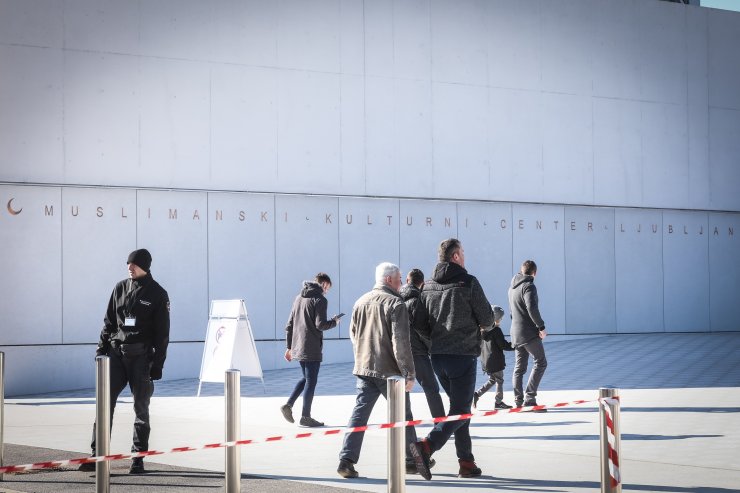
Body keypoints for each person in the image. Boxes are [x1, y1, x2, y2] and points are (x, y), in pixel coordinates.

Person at [79, 248, 170, 474]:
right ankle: (97, 455)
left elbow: (163, 333)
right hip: (116, 356)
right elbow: (109, 321)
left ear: (145, 266)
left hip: (141, 358)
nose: (129, 267)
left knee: (141, 408)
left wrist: (158, 364)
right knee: (104, 405)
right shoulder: (120, 287)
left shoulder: (158, 294)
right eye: (128, 264)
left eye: (134, 264)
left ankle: (137, 459)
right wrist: (102, 349)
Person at [409, 238, 494, 480]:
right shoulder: (468, 282)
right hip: (463, 356)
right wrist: (481, 328)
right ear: (455, 256)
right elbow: (487, 319)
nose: (465, 256)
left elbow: (420, 325)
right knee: (461, 411)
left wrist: (436, 339)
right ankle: (427, 445)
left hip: (438, 358)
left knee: (459, 409)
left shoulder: (427, 286)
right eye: (463, 252)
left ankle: (466, 462)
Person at [337, 262, 419, 479]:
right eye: (400, 278)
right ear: (389, 280)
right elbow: (400, 342)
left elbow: (353, 335)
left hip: (364, 368)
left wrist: (362, 356)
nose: (402, 283)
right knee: (404, 415)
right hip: (389, 371)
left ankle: (346, 460)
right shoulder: (395, 303)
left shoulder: (360, 301)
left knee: (360, 414)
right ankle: (411, 460)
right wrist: (409, 373)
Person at [281, 273, 340, 427]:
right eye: (325, 287)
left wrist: (289, 347)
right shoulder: (320, 299)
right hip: (312, 347)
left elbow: (289, 325)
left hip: (299, 346)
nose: (326, 290)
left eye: (328, 288)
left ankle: (288, 405)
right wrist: (334, 322)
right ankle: (305, 417)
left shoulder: (298, 298)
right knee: (311, 381)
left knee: (306, 378)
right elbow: (320, 325)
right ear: (319, 284)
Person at [400, 268, 445, 418]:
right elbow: (422, 328)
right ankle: (440, 424)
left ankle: (406, 430)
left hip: (399, 353)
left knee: (402, 391)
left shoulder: (396, 299)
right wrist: (431, 346)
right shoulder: (418, 301)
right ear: (422, 283)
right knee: (431, 388)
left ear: (407, 281)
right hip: (418, 352)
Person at [508, 260, 548, 411]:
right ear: (534, 273)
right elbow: (532, 308)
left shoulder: (512, 287)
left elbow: (512, 312)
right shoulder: (529, 286)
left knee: (519, 368)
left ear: (522, 270)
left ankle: (518, 401)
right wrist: (541, 327)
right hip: (529, 333)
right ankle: (530, 398)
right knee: (540, 362)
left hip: (516, 332)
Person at [474, 305, 514, 409]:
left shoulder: (481, 330)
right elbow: (504, 345)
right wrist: (515, 345)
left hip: (485, 361)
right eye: (500, 318)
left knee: (492, 380)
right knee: (499, 380)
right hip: (495, 361)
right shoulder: (496, 331)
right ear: (496, 318)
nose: (501, 320)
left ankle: (476, 394)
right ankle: (498, 402)